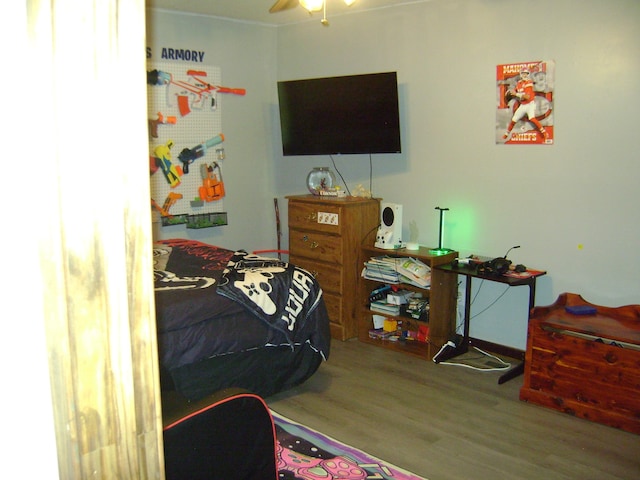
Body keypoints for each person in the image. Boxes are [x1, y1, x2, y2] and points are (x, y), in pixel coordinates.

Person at [502, 67, 548, 141]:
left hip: (530, 104)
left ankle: (544, 132)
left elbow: (527, 96)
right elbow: (515, 90)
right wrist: (510, 92)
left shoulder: (529, 83)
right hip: (523, 105)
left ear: (528, 74)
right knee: (514, 119)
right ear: (521, 74)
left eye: (526, 74)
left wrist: (516, 94)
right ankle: (506, 134)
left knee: (532, 118)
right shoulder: (519, 83)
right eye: (523, 73)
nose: (524, 75)